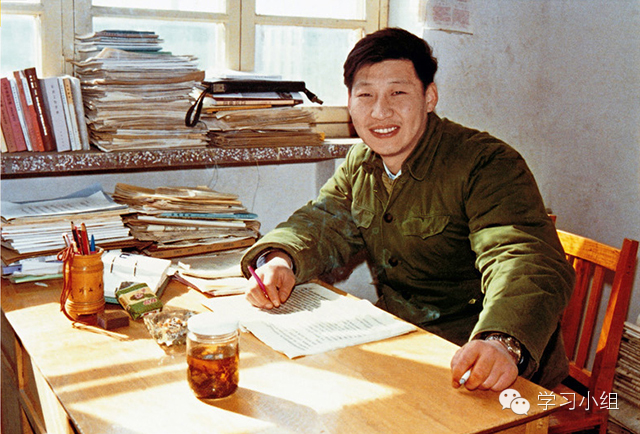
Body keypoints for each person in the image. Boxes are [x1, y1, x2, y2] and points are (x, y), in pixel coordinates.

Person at [240, 27, 575, 392]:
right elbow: (323, 220)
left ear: (430, 97)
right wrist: (279, 260)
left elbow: (522, 257)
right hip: (404, 342)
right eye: (365, 95)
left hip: (482, 362)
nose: (380, 111)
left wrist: (502, 341)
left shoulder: (486, 163)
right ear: (350, 102)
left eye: (397, 93)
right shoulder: (361, 162)